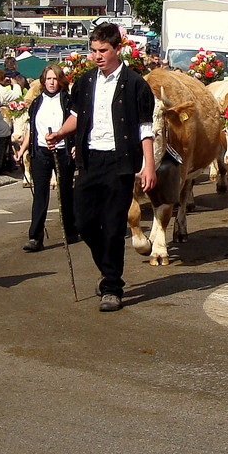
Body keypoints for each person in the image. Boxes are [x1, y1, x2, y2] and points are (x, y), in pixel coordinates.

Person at [48, 23, 156, 312]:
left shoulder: (135, 84)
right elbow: (76, 117)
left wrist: (149, 166)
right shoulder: (84, 83)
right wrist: (60, 133)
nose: (97, 56)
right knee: (82, 223)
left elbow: (146, 128)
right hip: (89, 160)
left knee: (112, 226)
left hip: (120, 162)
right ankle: (107, 267)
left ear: (117, 49)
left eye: (103, 50)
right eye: (93, 50)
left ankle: (111, 285)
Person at [16, 64, 78, 251]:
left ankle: (70, 230)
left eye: (55, 79)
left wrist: (75, 145)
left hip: (62, 151)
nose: (52, 82)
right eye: (49, 79)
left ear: (60, 81)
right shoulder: (36, 103)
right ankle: (35, 237)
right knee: (40, 195)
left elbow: (76, 124)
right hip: (41, 152)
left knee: (65, 192)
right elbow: (31, 129)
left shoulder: (68, 100)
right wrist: (22, 150)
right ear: (43, 81)